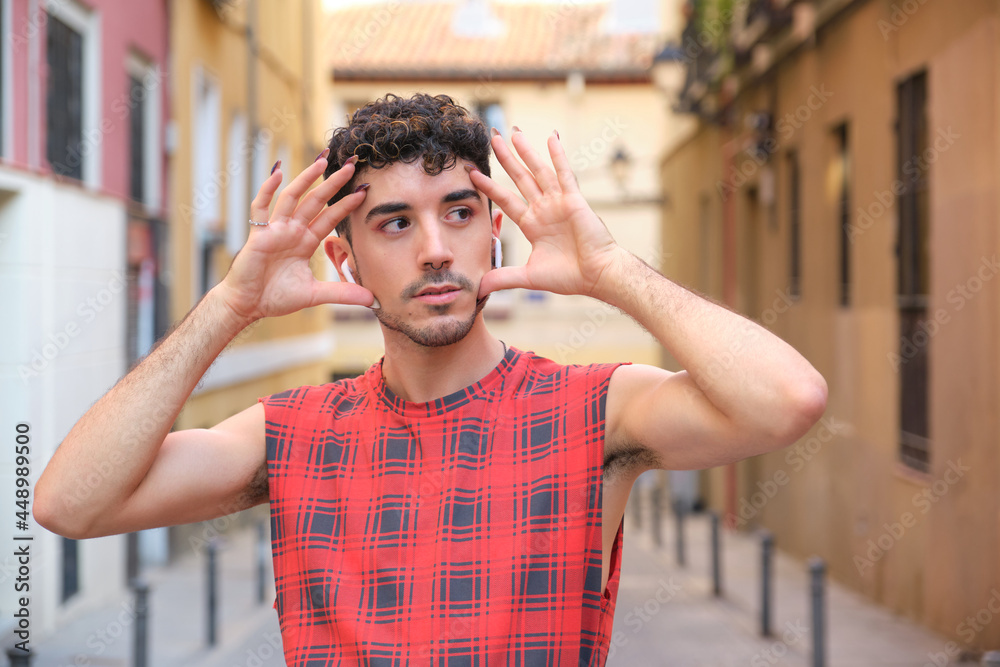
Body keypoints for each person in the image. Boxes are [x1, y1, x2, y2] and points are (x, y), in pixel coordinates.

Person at [35, 93, 827, 665]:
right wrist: (228, 305)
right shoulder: (293, 432)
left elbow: (788, 399)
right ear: (344, 258)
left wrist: (612, 271)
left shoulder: (595, 409)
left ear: (495, 233)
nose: (436, 248)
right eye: (395, 222)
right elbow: (70, 501)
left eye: (459, 212)